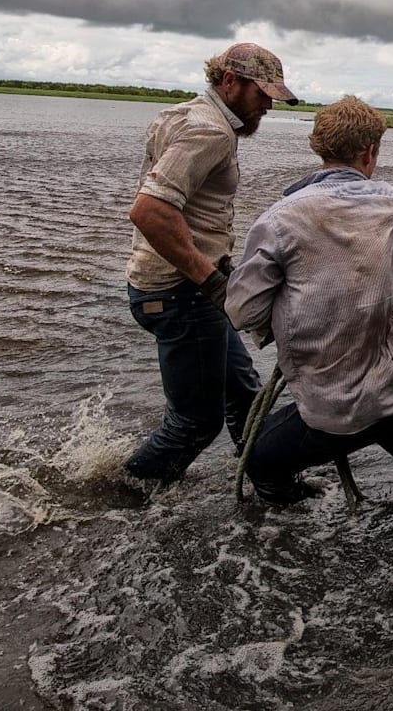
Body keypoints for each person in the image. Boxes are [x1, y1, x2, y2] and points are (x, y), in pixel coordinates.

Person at [224, 96, 393, 505]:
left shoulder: (280, 219)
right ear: (370, 152)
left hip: (328, 410)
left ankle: (292, 520)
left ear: (320, 148)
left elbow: (242, 310)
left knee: (258, 463)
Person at [123, 42, 300, 483]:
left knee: (244, 397)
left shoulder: (181, 115)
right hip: (179, 292)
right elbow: (149, 211)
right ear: (229, 81)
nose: (267, 107)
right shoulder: (211, 132)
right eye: (262, 95)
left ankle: (269, 482)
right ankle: (126, 494)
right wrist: (214, 283)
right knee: (196, 423)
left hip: (168, 286)